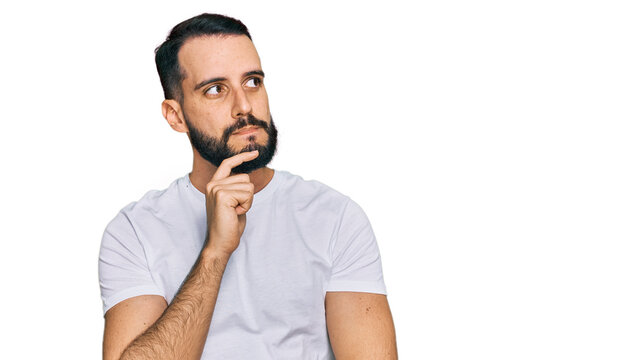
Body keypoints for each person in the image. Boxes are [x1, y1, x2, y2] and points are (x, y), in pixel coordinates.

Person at [99, 13, 397, 360]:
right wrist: (215, 252)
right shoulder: (134, 231)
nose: (244, 106)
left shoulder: (334, 217)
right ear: (175, 116)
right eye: (215, 90)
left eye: (252, 82)